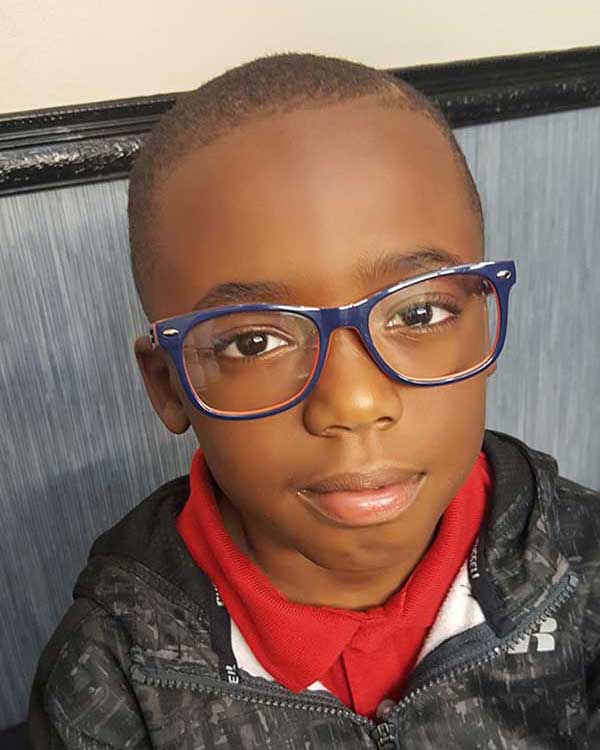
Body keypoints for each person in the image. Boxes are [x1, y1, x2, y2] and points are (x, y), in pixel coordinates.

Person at [27, 52, 600, 750]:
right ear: (169, 385)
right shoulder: (111, 675)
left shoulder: (583, 568)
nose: (353, 403)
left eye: (418, 314)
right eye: (254, 343)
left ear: (481, 324)